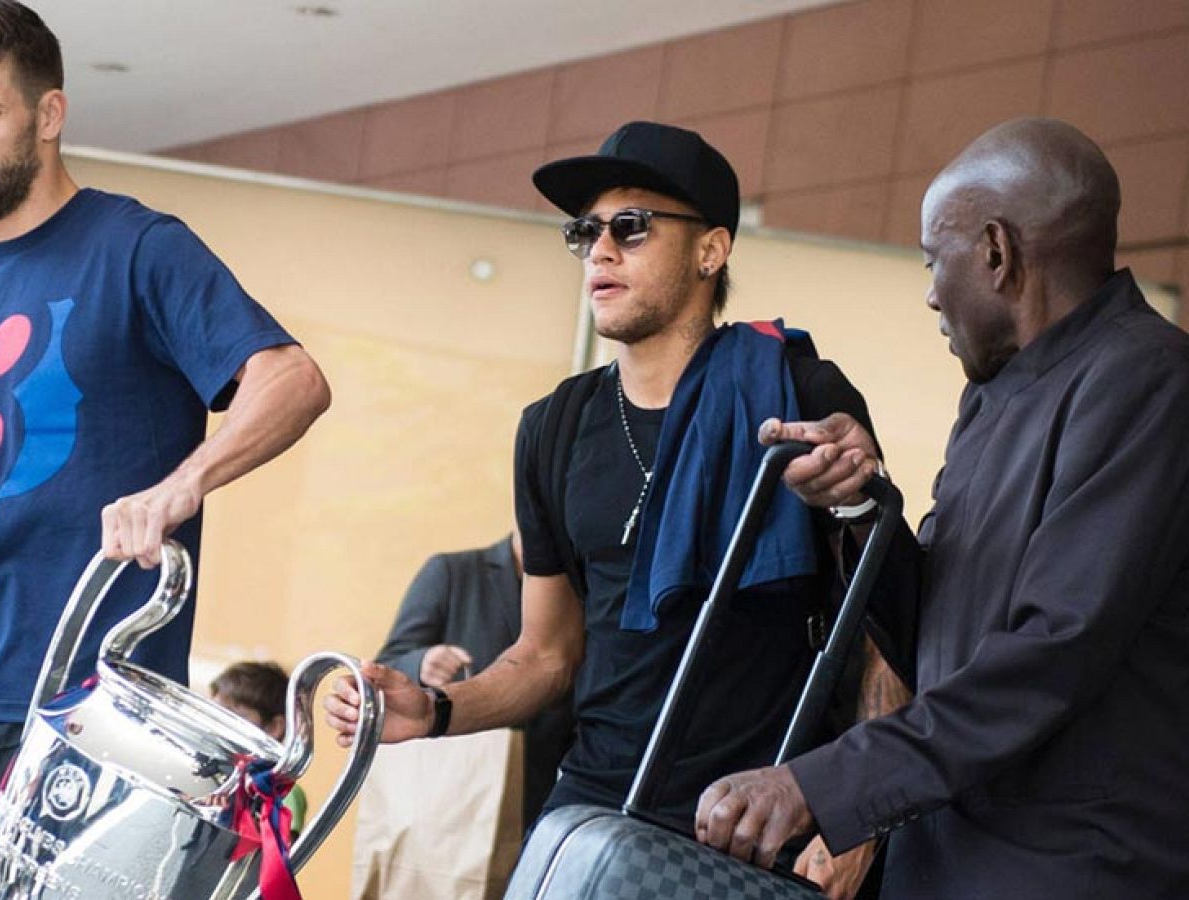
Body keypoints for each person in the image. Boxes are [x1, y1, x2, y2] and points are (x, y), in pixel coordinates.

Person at [0, 3, 330, 897]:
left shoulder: (138, 249)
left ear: (48, 115)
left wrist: (178, 488)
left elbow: (292, 379)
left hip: (87, 720)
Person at [326, 121, 904, 896]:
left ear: (711, 249)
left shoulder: (797, 392)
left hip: (763, 822)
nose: (600, 250)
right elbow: (546, 656)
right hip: (594, 805)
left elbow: (880, 631)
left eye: (630, 227)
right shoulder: (552, 428)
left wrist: (856, 812)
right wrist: (433, 710)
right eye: (585, 231)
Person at [693, 118, 1189, 899]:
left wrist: (817, 785)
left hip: (1067, 868)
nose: (929, 292)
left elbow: (1052, 649)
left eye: (934, 260)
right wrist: (861, 503)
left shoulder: (1149, 378)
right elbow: (938, 628)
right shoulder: (992, 398)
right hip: (948, 856)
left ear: (996, 252)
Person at [375, 532, 572, 828]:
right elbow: (385, 666)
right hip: (454, 797)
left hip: (548, 796)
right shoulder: (452, 572)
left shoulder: (577, 590)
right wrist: (421, 664)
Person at [210, 660, 308, 840]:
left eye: (231, 716)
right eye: (214, 713)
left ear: (273, 727)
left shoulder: (282, 790)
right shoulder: (211, 775)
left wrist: (228, 816)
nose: (218, 724)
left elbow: (278, 850)